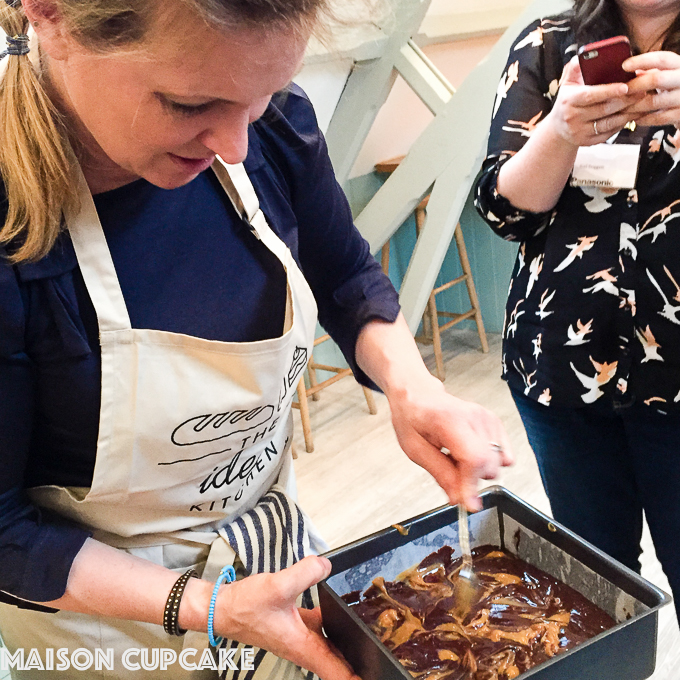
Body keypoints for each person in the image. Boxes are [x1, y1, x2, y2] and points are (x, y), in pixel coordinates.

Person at [0, 0, 514, 678]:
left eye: (262, 95)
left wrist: (410, 384)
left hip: (269, 558)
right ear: (52, 16)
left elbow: (344, 275)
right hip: (101, 629)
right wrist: (211, 607)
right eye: (190, 104)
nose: (235, 145)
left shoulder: (266, 126)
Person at [475, 0, 680, 622]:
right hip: (560, 364)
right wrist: (559, 131)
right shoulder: (545, 44)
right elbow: (504, 210)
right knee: (596, 580)